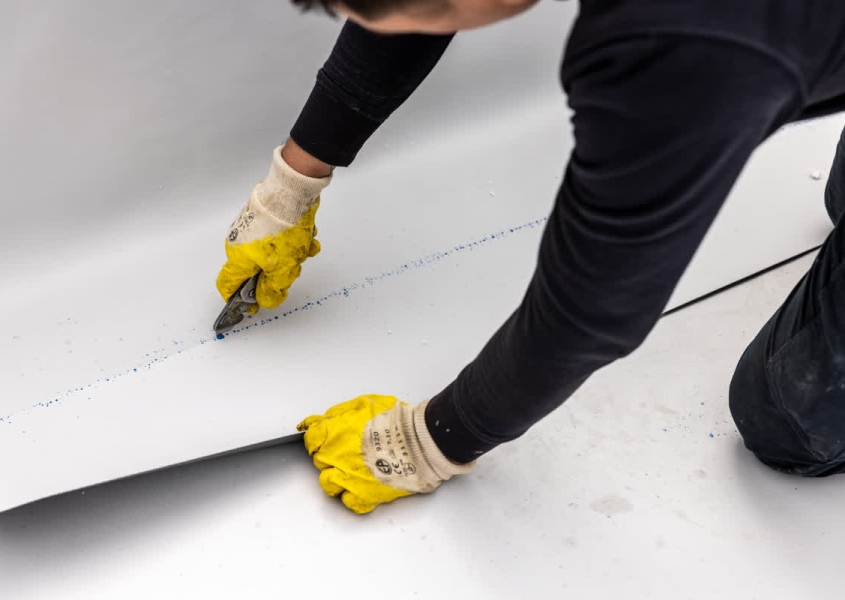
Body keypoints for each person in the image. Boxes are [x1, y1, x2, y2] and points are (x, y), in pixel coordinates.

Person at [215, 0, 845, 514]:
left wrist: (430, 441)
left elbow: (594, 314)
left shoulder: (680, 48)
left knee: (786, 419)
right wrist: (291, 185)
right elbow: (407, 11)